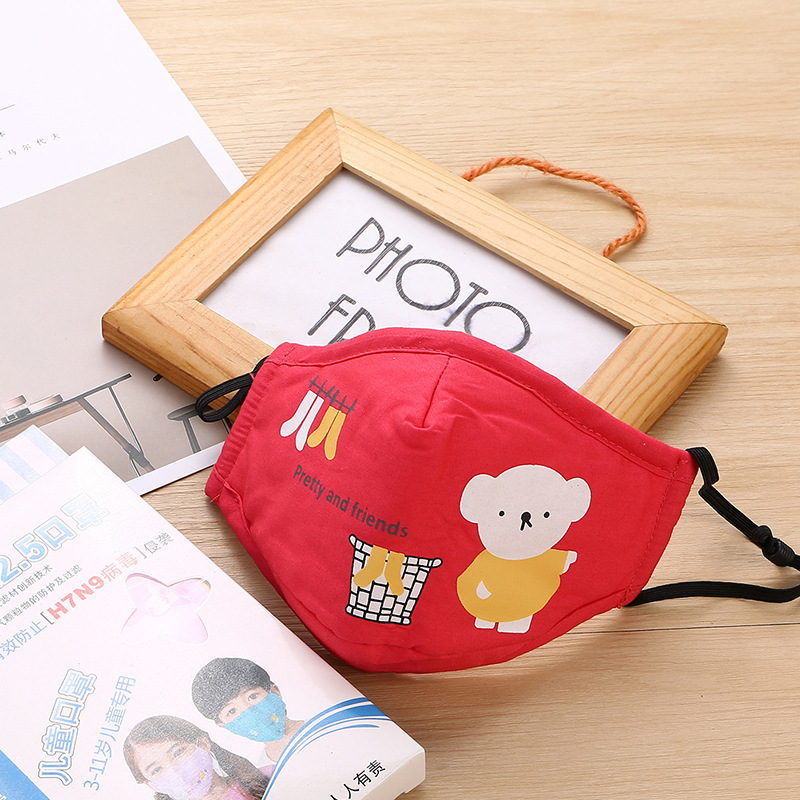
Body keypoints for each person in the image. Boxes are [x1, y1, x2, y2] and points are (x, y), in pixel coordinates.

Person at [123, 715, 269, 800]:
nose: (175, 770)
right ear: (151, 785)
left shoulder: (266, 778)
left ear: (203, 743)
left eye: (178, 752)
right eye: (156, 770)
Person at [191, 657, 305, 766]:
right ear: (224, 726)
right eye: (231, 711)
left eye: (252, 696)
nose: (250, 712)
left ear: (275, 691)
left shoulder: (316, 724)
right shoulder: (265, 772)